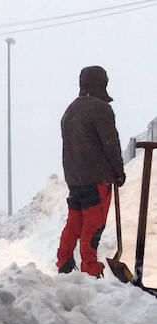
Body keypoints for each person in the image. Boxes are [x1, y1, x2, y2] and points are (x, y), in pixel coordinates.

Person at [56, 65, 126, 277]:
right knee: (93, 224)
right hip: (96, 177)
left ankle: (64, 263)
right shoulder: (101, 108)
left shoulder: (70, 110)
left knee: (75, 221)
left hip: (75, 178)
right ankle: (90, 269)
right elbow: (110, 143)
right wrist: (118, 171)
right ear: (102, 83)